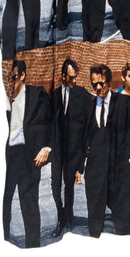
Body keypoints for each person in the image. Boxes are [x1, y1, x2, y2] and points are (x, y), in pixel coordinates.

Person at [76, 64, 130, 238]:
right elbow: (83, 138)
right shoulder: (89, 105)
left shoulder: (124, 102)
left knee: (122, 216)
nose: (98, 87)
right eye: (94, 84)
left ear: (110, 82)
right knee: (94, 215)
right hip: (96, 170)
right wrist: (80, 168)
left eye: (102, 83)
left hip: (119, 169)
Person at [3, 60, 51, 248]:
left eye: (14, 78)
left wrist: (46, 147)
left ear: (22, 75)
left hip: (28, 153)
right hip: (8, 154)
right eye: (8, 79)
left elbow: (50, 121)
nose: (11, 83)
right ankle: (3, 238)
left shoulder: (37, 94)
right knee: (4, 199)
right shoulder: (4, 97)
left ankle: (33, 244)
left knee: (29, 201)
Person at [49, 58, 92, 237]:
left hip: (73, 151)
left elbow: (87, 127)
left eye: (76, 77)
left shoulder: (82, 95)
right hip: (57, 150)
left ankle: (67, 218)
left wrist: (81, 160)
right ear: (63, 76)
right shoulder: (55, 95)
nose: (74, 81)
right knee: (55, 185)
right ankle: (61, 215)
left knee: (69, 187)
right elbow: (50, 123)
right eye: (71, 78)